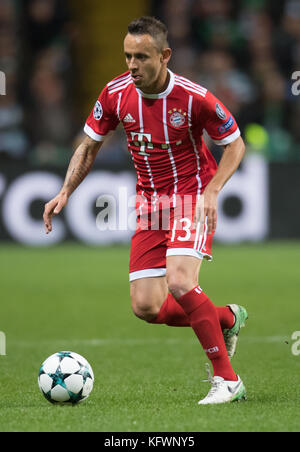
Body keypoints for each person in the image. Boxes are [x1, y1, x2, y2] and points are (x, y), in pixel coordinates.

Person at [43, 16, 248, 405]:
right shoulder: (116, 94)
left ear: (164, 55)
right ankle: (226, 318)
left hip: (190, 196)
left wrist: (213, 189)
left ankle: (228, 381)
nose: (132, 65)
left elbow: (235, 144)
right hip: (150, 205)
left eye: (141, 56)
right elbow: (88, 146)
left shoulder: (195, 97)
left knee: (181, 282)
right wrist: (65, 190)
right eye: (127, 56)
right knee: (147, 306)